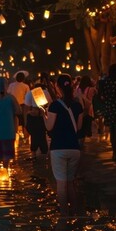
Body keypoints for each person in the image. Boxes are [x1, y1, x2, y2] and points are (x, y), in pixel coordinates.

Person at [44, 74, 84, 216]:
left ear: (58, 88)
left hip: (58, 148)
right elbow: (79, 127)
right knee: (71, 182)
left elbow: (49, 127)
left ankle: (64, 214)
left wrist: (44, 114)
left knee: (61, 184)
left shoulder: (54, 105)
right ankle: (74, 210)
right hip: (74, 148)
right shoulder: (78, 105)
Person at [24, 75, 53, 156]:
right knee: (43, 135)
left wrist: (25, 122)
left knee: (34, 136)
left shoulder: (30, 93)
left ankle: (34, 154)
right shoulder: (47, 93)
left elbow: (26, 108)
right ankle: (44, 154)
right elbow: (51, 105)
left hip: (34, 118)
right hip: (44, 117)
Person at [8, 71, 30, 138]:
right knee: (23, 121)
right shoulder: (26, 86)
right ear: (23, 79)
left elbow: (8, 94)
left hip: (12, 106)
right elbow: (28, 96)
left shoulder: (11, 85)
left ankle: (14, 134)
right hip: (22, 106)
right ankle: (23, 135)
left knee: (13, 120)